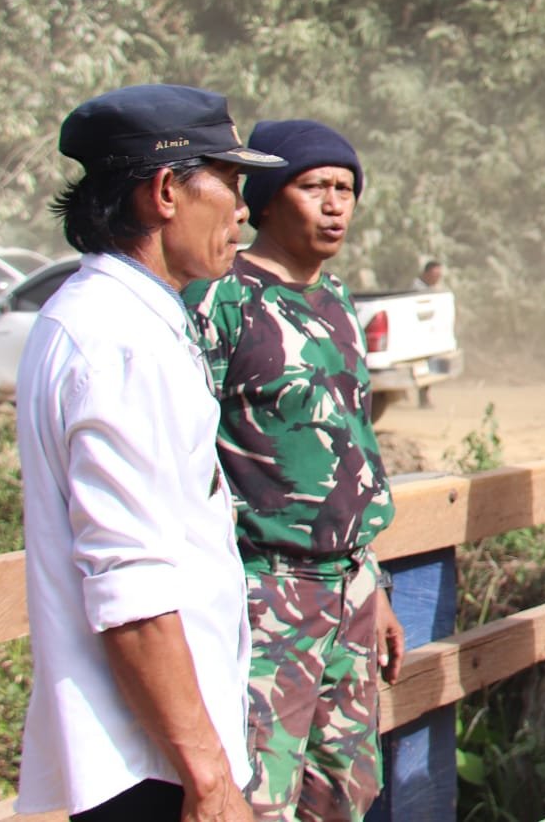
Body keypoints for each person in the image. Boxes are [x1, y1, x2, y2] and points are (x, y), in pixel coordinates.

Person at [16, 84, 285, 821]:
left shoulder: (109, 319)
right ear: (166, 191)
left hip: (156, 751)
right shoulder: (119, 345)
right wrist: (209, 779)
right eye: (229, 184)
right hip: (152, 767)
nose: (242, 211)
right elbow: (131, 590)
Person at [185, 120, 405, 822]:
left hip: (350, 590)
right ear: (267, 199)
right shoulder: (220, 301)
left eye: (346, 188)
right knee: (259, 795)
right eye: (314, 187)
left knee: (345, 790)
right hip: (265, 592)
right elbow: (187, 455)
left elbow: (352, 451)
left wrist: (374, 583)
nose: (335, 205)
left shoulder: (337, 300)